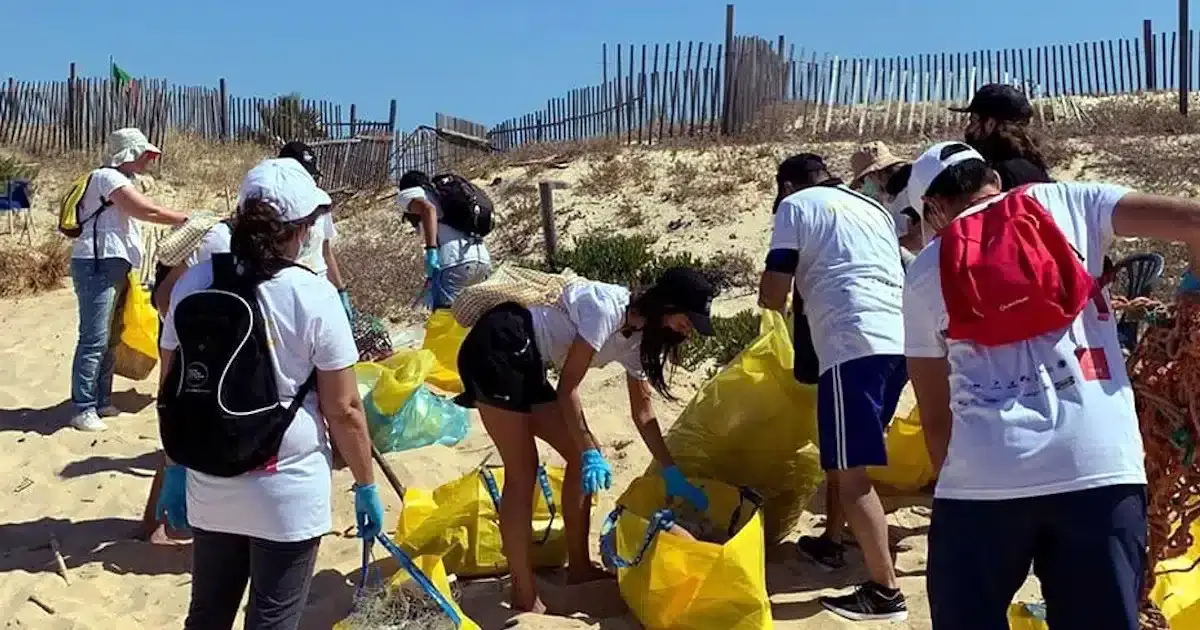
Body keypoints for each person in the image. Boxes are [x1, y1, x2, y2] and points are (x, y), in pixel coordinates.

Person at [900, 140, 1200, 629]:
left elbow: (935, 417)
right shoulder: (1069, 201)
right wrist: (1192, 303)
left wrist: (964, 486)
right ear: (992, 180)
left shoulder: (924, 272)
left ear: (934, 209)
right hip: (1099, 466)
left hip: (984, 475)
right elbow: (1195, 221)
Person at [155, 157, 385, 629]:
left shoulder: (195, 283)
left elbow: (172, 389)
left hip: (210, 473)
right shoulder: (312, 294)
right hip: (286, 484)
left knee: (208, 613)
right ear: (301, 230)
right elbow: (343, 409)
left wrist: (174, 469)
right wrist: (365, 484)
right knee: (274, 616)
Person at [456, 268, 715, 614]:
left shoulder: (640, 339)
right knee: (523, 470)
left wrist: (671, 472)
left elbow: (644, 414)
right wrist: (591, 449)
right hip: (497, 345)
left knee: (579, 458)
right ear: (669, 304)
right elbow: (568, 389)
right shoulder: (607, 307)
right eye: (688, 319)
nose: (689, 331)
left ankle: (578, 568)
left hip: (529, 360)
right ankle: (523, 593)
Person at [758, 153, 908, 621]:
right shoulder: (873, 208)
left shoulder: (796, 206)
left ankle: (885, 592)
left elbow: (773, 291)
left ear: (787, 185)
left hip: (850, 340)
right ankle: (833, 542)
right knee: (846, 460)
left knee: (851, 471)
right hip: (898, 342)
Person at [68, 128, 188, 432]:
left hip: (115, 264)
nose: (148, 159)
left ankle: (101, 399)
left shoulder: (121, 180)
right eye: (143, 153)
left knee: (110, 335)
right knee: (94, 337)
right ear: (129, 153)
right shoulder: (108, 178)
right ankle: (83, 407)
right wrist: (188, 219)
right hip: (97, 263)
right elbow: (145, 210)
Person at [397, 170, 492, 309]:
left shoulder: (409, 194)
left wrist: (431, 251)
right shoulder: (441, 195)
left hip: (454, 263)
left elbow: (428, 210)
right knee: (471, 321)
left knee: (445, 321)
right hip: (482, 262)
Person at [279, 141, 352, 318]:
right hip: (290, 293)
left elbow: (326, 252)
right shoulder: (274, 206)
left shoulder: (321, 201)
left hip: (320, 288)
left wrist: (341, 290)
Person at [951, 83, 1054, 189]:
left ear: (990, 124)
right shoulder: (1035, 169)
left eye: (973, 121)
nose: (968, 130)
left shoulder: (998, 177)